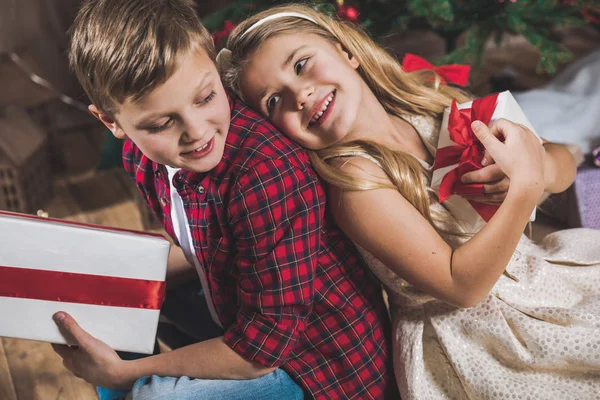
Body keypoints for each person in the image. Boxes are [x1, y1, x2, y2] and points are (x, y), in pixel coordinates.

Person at [222, 4, 600, 399]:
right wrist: (523, 191)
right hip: (480, 339)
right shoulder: (355, 183)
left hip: (533, 276)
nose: (300, 95)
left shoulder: (421, 105)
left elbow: (562, 164)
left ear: (345, 51)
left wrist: (533, 163)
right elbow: (460, 287)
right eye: (273, 102)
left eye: (301, 65)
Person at [51, 1, 397, 399]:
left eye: (205, 97)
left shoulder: (264, 172)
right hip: (236, 316)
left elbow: (259, 352)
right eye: (162, 123)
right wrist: (100, 279)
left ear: (215, 67)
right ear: (111, 122)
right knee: (100, 303)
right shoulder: (142, 158)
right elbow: (204, 252)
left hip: (320, 368)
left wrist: (127, 372)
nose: (197, 132)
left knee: (153, 395)